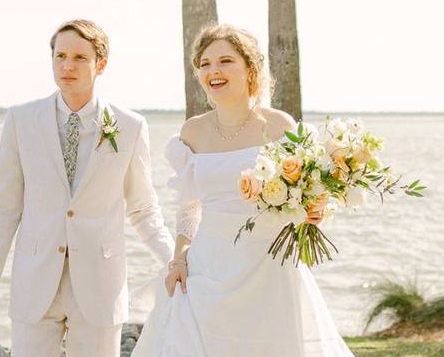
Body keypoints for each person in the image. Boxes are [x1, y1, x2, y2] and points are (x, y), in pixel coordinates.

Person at [132, 23, 355, 357]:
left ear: (250, 68)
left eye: (225, 61)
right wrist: (178, 259)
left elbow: (306, 199)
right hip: (207, 267)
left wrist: (313, 212)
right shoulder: (192, 132)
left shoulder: (280, 126)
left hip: (270, 267)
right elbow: (189, 207)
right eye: (205, 64)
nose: (213, 71)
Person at [0, 19, 174, 357]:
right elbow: (4, 210)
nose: (67, 66)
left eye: (79, 57)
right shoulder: (21, 120)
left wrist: (174, 259)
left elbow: (143, 208)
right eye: (60, 56)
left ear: (100, 64)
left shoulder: (130, 126)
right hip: (35, 283)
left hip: (100, 286)